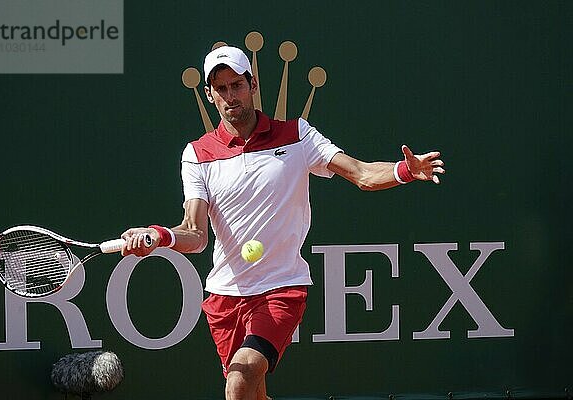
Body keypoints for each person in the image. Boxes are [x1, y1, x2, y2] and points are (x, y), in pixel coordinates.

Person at [121, 45, 445, 400]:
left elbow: (363, 174)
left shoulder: (297, 135)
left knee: (239, 382)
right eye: (221, 88)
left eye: (237, 85)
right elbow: (195, 234)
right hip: (225, 296)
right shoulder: (197, 155)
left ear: (253, 84)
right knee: (253, 395)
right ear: (210, 95)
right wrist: (159, 235)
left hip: (281, 287)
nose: (231, 96)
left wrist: (403, 171)